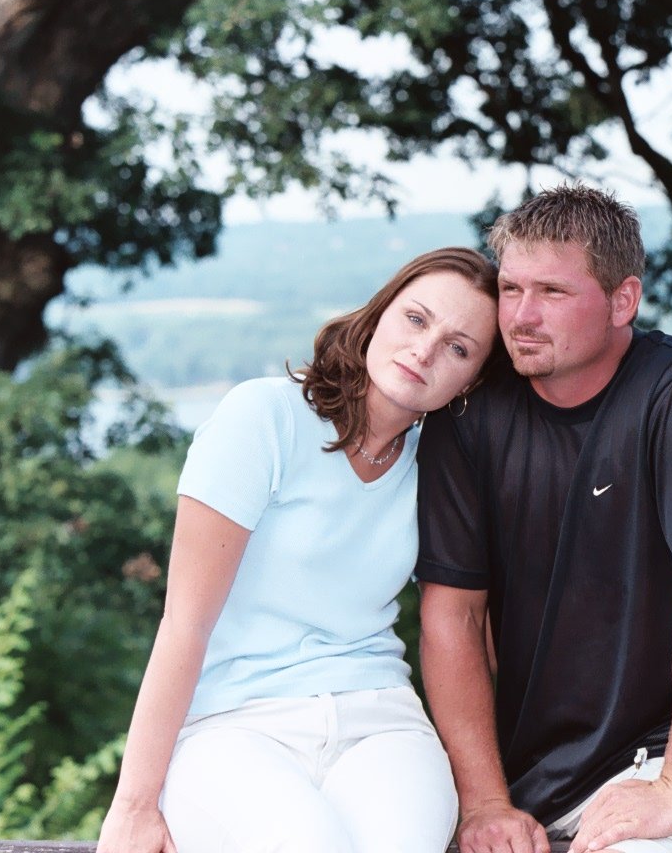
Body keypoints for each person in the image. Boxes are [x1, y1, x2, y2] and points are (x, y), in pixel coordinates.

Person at [97, 246, 502, 853]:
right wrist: (132, 805)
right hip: (236, 725)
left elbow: (474, 625)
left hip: (381, 720)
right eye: (417, 319)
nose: (425, 350)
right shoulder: (264, 418)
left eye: (459, 347)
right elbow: (184, 623)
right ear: (379, 313)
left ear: (470, 382)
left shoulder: (439, 468)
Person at [416, 185, 672, 853]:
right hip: (529, 775)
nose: (522, 315)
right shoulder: (469, 416)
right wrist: (486, 802)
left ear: (623, 300)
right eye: (511, 288)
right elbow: (452, 617)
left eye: (552, 292)